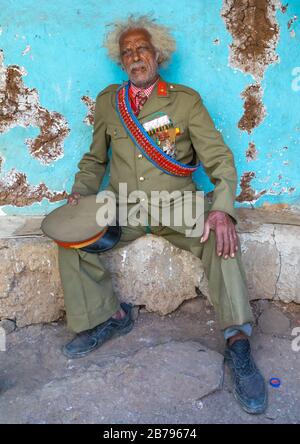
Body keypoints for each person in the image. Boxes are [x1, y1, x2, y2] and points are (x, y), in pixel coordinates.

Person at [57, 15, 267, 415]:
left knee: (222, 240)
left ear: (157, 55)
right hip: (123, 206)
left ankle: (238, 344)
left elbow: (220, 160)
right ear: (122, 63)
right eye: (128, 52)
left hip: (178, 204)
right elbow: (93, 159)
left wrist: (222, 209)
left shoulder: (184, 101)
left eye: (141, 49)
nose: (135, 57)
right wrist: (81, 195)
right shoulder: (108, 103)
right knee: (70, 239)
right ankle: (111, 316)